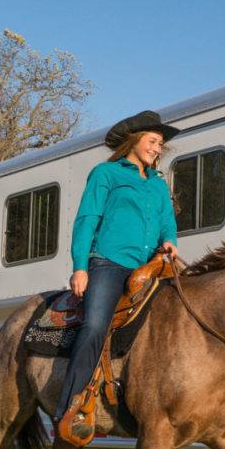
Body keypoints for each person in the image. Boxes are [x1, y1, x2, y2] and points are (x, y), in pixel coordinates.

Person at [53, 110, 180, 425]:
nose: (157, 148)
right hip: (109, 262)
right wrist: (80, 267)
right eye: (152, 141)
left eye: (160, 144)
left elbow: (167, 219)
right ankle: (72, 406)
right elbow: (87, 219)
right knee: (95, 325)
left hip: (150, 267)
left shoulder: (157, 183)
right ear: (134, 141)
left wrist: (170, 239)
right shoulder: (106, 174)